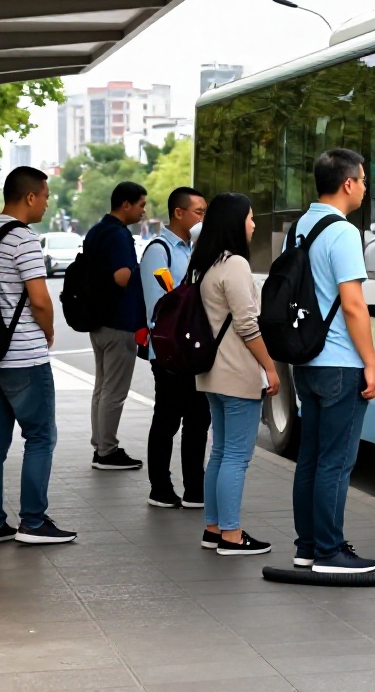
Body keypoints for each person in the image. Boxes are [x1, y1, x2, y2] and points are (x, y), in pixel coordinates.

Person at [290, 148, 375, 574]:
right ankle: (330, 550)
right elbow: (353, 305)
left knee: (310, 456)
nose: (365, 187)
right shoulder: (344, 232)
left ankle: (307, 545)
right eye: (363, 180)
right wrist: (371, 362)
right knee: (336, 460)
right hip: (340, 363)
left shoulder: (301, 226)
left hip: (306, 361)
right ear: (348, 183)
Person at [0, 167, 75, 545]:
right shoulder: (23, 239)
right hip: (23, 357)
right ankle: (33, 522)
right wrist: (48, 331)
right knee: (39, 437)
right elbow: (39, 299)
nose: (48, 203)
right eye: (46, 195)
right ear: (30, 196)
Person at [193, 193, 281, 555]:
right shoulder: (236, 266)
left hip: (213, 374)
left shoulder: (207, 265)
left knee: (219, 453)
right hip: (237, 373)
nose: (254, 224)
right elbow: (248, 325)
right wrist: (270, 367)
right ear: (234, 223)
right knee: (236, 457)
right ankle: (231, 534)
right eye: (250, 218)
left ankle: (213, 528)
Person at [140, 186, 209, 508]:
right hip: (169, 352)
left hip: (193, 352)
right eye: (199, 212)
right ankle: (160, 486)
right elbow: (160, 307)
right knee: (167, 419)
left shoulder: (194, 249)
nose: (203, 218)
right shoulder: (159, 249)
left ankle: (195, 486)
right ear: (178, 213)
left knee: (198, 419)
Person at [86, 181, 148, 470]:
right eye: (141, 205)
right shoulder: (119, 235)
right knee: (115, 390)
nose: (143, 211)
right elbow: (122, 276)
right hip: (119, 321)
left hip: (98, 320)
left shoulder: (96, 231)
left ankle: (100, 445)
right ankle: (108, 451)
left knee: (102, 387)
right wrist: (144, 273)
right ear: (126, 204)